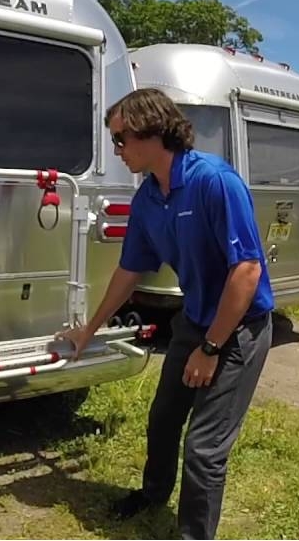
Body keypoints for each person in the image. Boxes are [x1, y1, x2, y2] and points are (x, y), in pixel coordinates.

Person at [57, 87, 274, 540]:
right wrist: (88, 331)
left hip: (239, 329)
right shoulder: (148, 199)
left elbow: (248, 271)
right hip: (194, 320)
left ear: (154, 132)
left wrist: (211, 348)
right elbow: (129, 270)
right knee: (163, 419)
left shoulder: (214, 181)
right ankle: (154, 495)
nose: (117, 151)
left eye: (121, 140)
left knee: (204, 448)